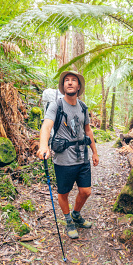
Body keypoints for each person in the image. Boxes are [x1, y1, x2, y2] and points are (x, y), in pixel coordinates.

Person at [37, 71, 99, 239]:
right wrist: (43, 146)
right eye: (66, 81)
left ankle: (76, 214)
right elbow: (47, 126)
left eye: (73, 80)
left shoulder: (83, 107)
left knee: (86, 192)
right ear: (63, 86)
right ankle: (68, 220)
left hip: (82, 157)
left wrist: (94, 152)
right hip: (63, 159)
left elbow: (88, 130)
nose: (70, 83)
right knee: (63, 193)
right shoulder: (56, 106)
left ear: (79, 86)